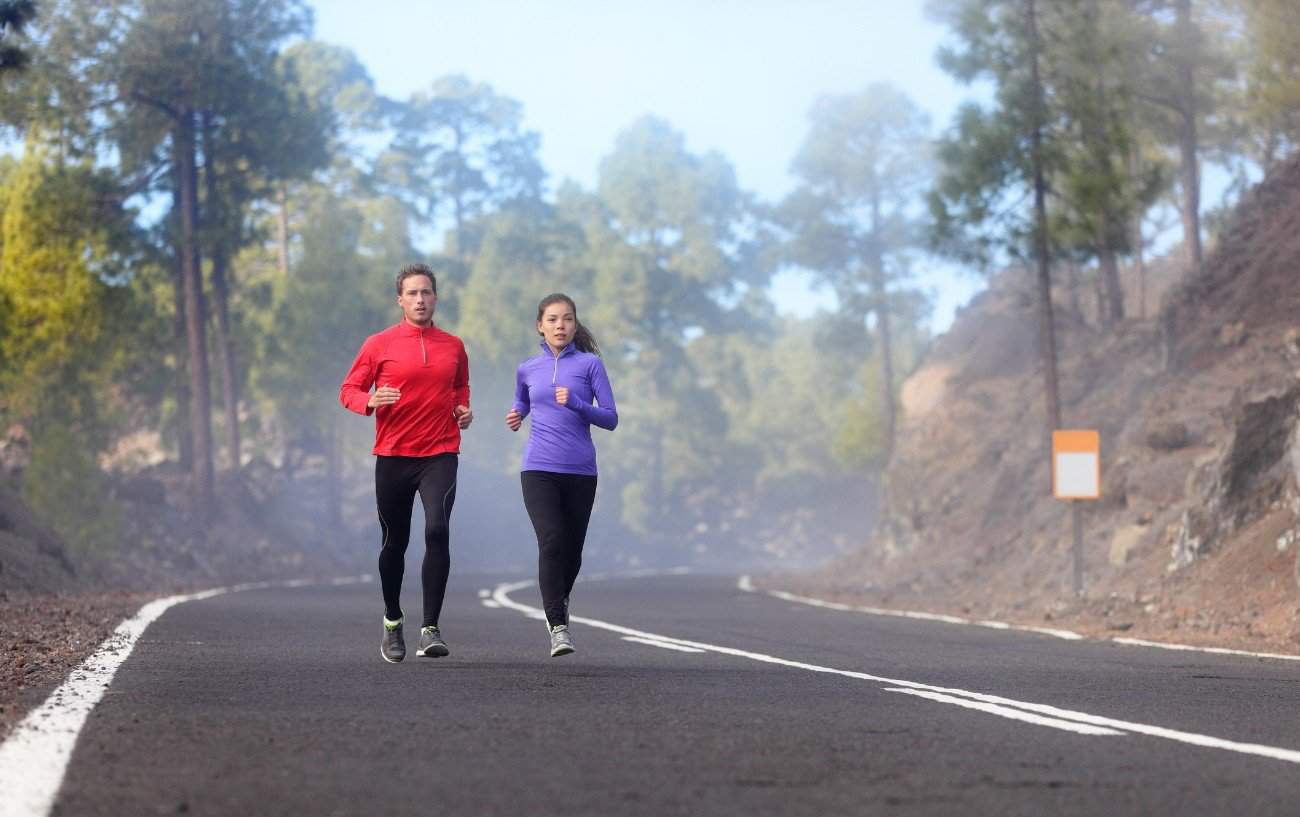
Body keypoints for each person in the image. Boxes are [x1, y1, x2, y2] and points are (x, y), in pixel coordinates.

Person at [340, 263, 473, 663]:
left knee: (437, 529)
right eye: (413, 293)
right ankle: (393, 621)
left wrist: (463, 409)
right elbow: (349, 388)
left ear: (436, 298)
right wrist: (368, 401)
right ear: (400, 300)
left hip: (440, 452)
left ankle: (430, 628)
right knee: (394, 542)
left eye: (426, 292)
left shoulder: (453, 345)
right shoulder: (378, 344)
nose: (420, 299)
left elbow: (460, 385)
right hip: (394, 455)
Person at [505, 293, 618, 657]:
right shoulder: (527, 367)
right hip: (538, 468)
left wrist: (578, 403)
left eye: (567, 319)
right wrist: (516, 414)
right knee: (551, 540)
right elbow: (523, 399)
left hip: (581, 471)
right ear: (540, 325)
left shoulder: (590, 366)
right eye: (552, 319)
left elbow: (611, 418)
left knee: (572, 550)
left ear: (575, 324)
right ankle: (558, 626)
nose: (560, 325)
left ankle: (560, 600)